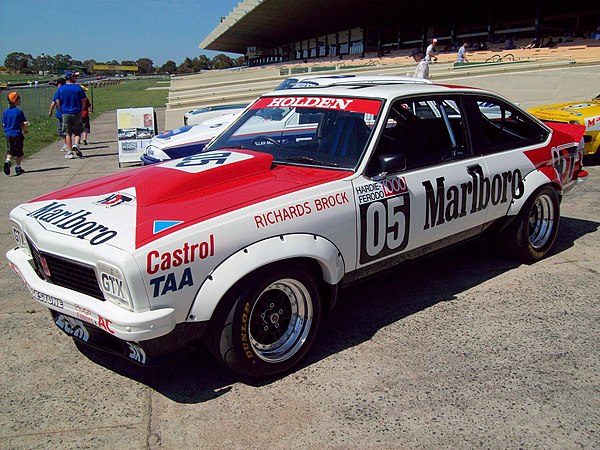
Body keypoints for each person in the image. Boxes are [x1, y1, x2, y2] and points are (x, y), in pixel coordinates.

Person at [56, 70, 86, 159]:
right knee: (78, 131)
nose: (76, 78)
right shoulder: (78, 87)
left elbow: (58, 100)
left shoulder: (61, 89)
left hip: (65, 113)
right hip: (76, 111)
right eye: (75, 77)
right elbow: (84, 99)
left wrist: (61, 109)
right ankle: (76, 144)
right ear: (71, 77)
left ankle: (69, 152)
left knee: (67, 133)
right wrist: (81, 108)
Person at [2, 92, 29, 176]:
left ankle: (8, 161)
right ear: (15, 101)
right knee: (19, 152)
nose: (20, 101)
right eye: (18, 99)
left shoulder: (5, 112)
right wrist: (25, 130)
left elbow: (3, 124)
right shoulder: (19, 112)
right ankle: (18, 167)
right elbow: (22, 123)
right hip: (17, 134)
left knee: (10, 151)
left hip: (8, 134)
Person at [48, 77, 68, 151]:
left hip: (61, 113)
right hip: (69, 112)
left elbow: (53, 103)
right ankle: (73, 143)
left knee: (63, 130)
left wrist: (50, 111)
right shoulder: (68, 90)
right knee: (68, 129)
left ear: (59, 84)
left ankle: (66, 144)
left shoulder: (59, 91)